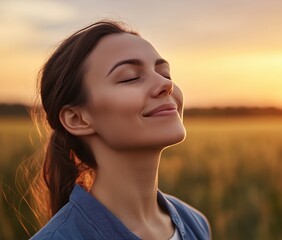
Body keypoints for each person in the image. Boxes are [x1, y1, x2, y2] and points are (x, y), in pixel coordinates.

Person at [30, 20, 210, 240]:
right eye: (131, 77)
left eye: (165, 73)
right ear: (77, 119)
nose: (166, 85)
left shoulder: (195, 223)